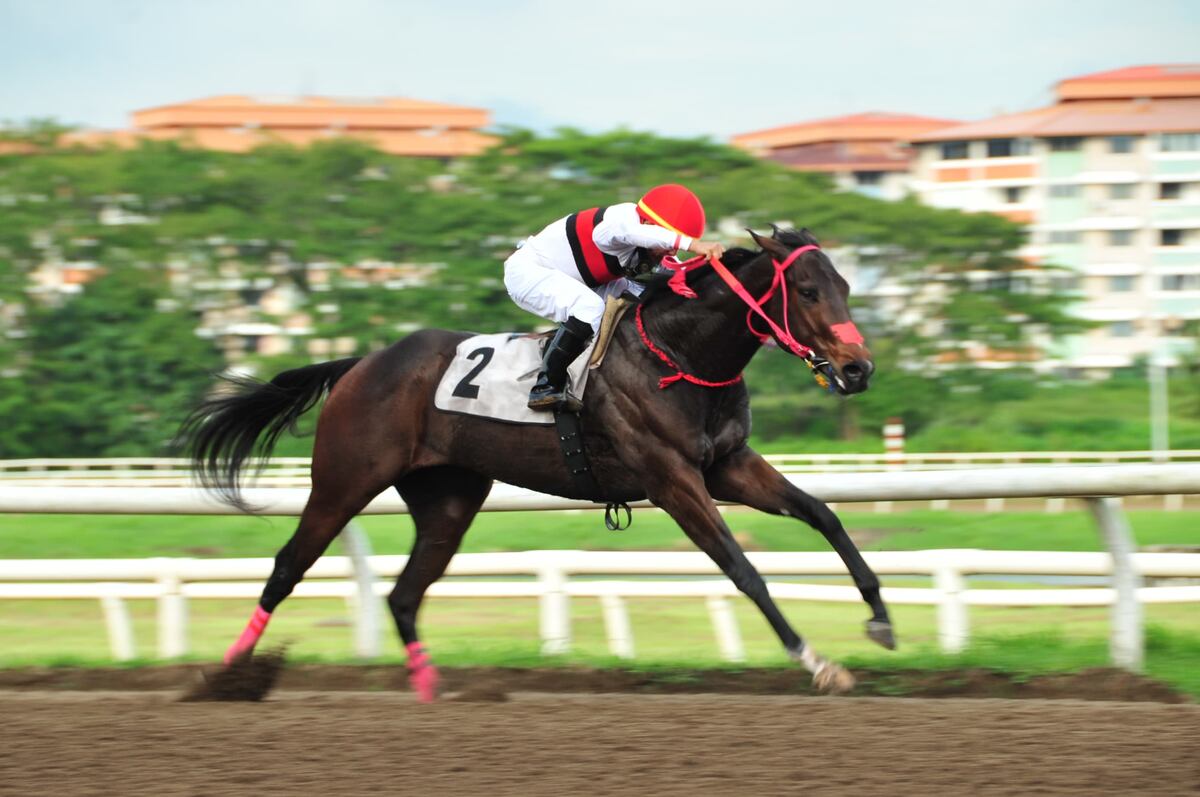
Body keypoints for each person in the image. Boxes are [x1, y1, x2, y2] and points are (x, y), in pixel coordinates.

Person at [504, 184, 726, 411]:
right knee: (589, 308)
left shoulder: (648, 236)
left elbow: (680, 276)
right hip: (529, 272)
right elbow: (638, 234)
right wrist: (693, 244)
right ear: (649, 224)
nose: (671, 251)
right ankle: (546, 386)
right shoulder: (617, 224)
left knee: (646, 302)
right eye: (668, 242)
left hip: (582, 281)